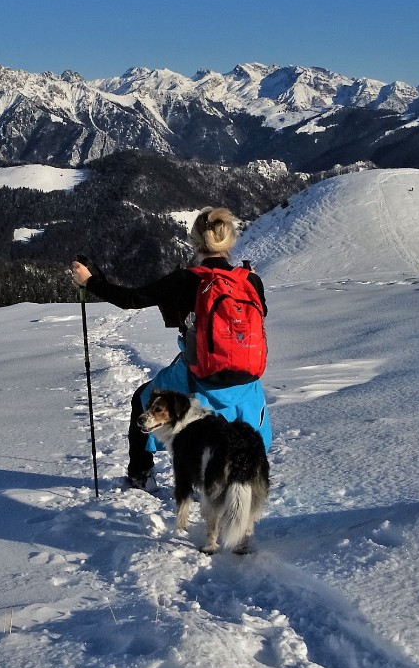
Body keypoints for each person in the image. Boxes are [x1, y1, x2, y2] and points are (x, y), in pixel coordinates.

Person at [70, 208, 271, 490]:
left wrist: (90, 282)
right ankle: (245, 474)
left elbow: (131, 299)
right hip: (247, 378)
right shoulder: (250, 280)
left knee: (142, 397)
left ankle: (142, 474)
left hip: (199, 376)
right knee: (241, 414)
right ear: (231, 242)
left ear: (195, 242)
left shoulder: (188, 279)